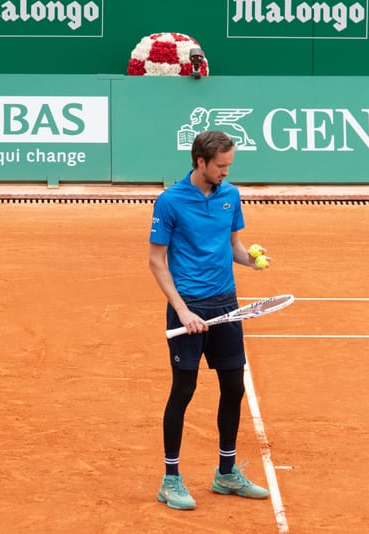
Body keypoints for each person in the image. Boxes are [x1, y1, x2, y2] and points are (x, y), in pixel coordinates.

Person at [148, 130, 271, 510]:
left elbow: (232, 245)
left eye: (229, 166)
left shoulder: (230, 196)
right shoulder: (170, 201)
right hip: (188, 306)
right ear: (200, 162)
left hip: (227, 305)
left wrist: (250, 259)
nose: (226, 173)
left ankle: (226, 473)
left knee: (233, 387)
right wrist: (183, 310)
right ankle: (171, 480)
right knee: (183, 391)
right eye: (220, 166)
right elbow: (156, 260)